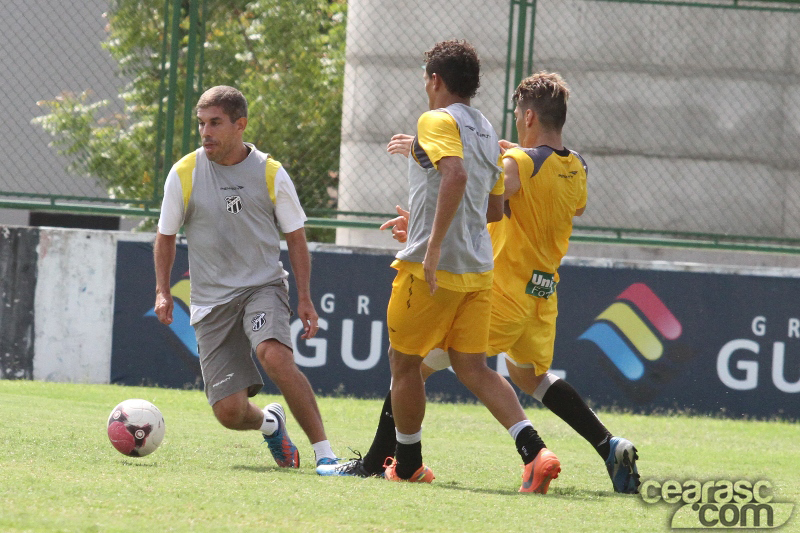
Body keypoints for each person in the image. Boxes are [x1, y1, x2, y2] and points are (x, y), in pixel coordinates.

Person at [319, 72, 641, 494]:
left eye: (516, 116)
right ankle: (608, 444)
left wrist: (427, 168)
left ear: (528, 115)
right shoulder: (576, 165)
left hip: (500, 292)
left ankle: (383, 460)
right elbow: (566, 206)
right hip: (541, 296)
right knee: (529, 376)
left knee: (413, 365)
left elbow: (482, 194)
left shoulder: (519, 164)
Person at [327, 40, 561, 492]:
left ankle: (407, 461)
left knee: (404, 363)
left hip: (431, 271)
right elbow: (493, 210)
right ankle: (535, 451)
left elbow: (454, 174)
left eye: (425, 76)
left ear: (435, 79)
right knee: (473, 368)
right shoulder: (488, 129)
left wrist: (430, 246)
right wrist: (420, 223)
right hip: (478, 270)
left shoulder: (435, 120)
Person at [153, 85, 338, 469]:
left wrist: (304, 297)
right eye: (201, 123)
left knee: (274, 356)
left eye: (215, 123)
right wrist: (162, 290)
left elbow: (296, 238)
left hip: (262, 287)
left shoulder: (270, 173)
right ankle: (270, 423)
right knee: (229, 413)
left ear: (241, 125)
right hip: (210, 301)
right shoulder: (184, 172)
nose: (206, 132)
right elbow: (165, 237)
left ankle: (326, 456)